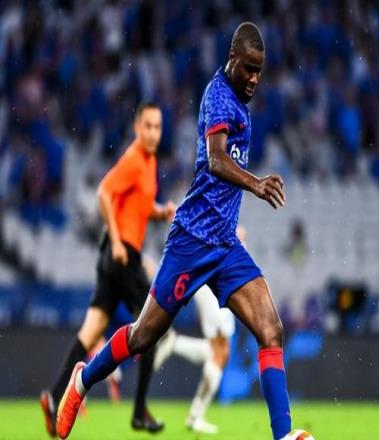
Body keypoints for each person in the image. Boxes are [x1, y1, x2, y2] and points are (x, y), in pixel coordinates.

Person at [57, 22, 308, 440]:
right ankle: (82, 381)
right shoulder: (219, 96)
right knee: (142, 337)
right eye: (248, 68)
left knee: (271, 329)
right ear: (232, 58)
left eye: (259, 71)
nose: (254, 79)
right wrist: (256, 183)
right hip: (191, 241)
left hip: (224, 244)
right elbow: (216, 159)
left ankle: (283, 436)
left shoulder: (240, 101)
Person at [40, 103, 175, 437]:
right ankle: (139, 410)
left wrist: (160, 212)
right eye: (147, 126)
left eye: (157, 127)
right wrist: (116, 241)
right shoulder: (134, 159)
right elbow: (104, 192)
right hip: (122, 255)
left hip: (111, 259)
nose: (153, 133)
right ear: (136, 127)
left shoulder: (149, 162)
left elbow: (138, 205)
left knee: (91, 331)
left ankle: (54, 396)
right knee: (153, 324)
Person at [152, 226, 248, 434]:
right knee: (220, 352)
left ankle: (174, 343)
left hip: (213, 282)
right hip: (212, 282)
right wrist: (235, 235)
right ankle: (196, 416)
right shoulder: (210, 222)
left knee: (220, 352)